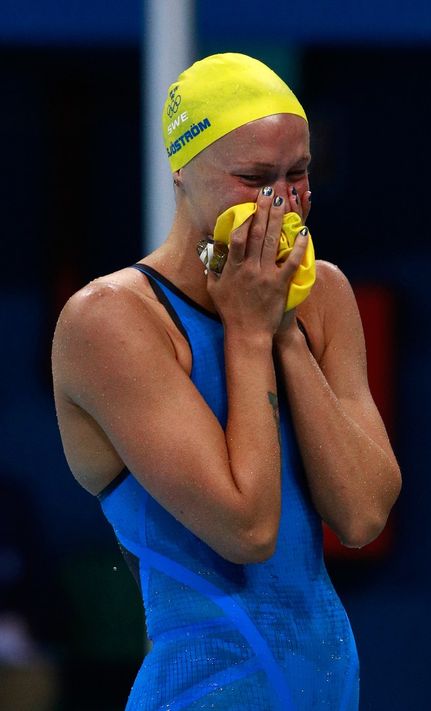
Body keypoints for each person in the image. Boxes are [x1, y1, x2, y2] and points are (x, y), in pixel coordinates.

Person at [52, 53, 401, 710]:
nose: (280, 202)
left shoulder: (323, 293)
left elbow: (363, 514)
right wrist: (246, 332)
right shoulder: (113, 321)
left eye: (297, 175)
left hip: (330, 688)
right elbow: (246, 528)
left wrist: (285, 331)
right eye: (254, 178)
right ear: (181, 173)